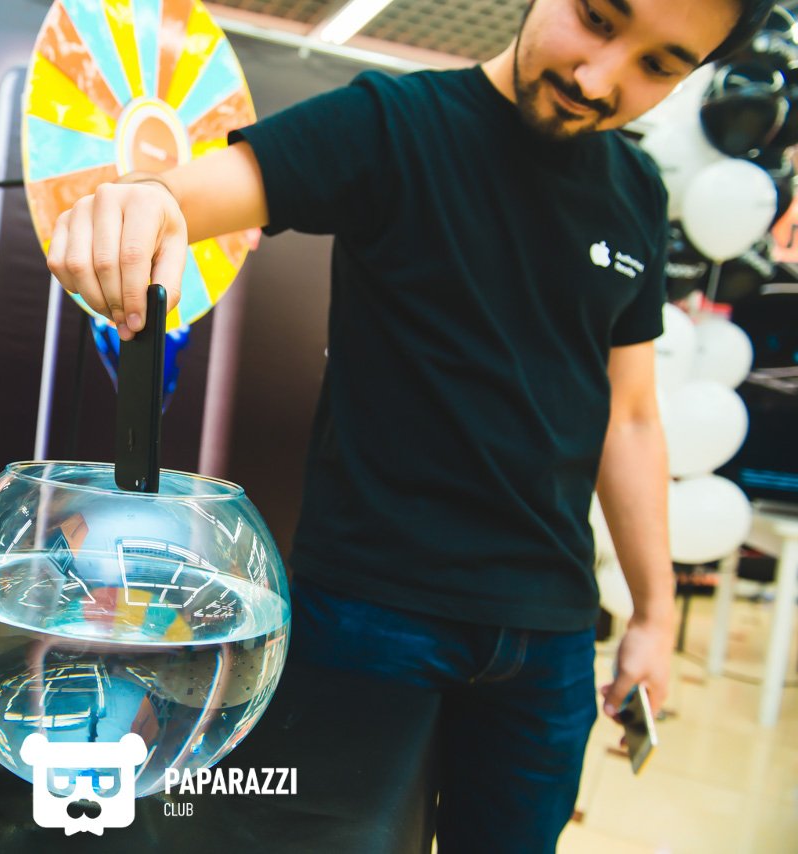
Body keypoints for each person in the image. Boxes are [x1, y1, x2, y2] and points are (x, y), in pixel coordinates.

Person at [48, 0, 773, 850]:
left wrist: (653, 613)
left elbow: (634, 416)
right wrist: (145, 205)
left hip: (549, 636)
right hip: (370, 614)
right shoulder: (392, 124)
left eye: (659, 65)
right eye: (597, 18)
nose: (597, 77)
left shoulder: (636, 189)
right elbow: (203, 191)